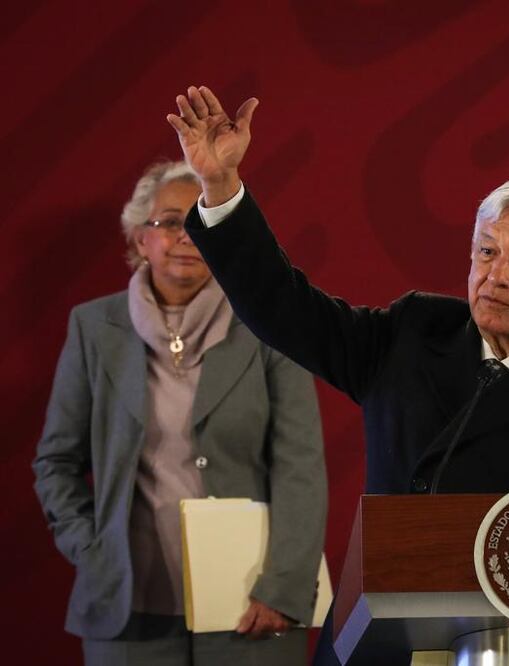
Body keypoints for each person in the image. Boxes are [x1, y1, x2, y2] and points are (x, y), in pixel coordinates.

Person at [164, 84, 509, 497]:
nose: (497, 276)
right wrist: (221, 185)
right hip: (389, 616)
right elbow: (283, 307)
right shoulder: (412, 334)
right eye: (487, 252)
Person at [33, 160, 328, 666]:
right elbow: (55, 463)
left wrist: (283, 587)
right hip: (128, 613)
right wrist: (93, 550)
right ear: (138, 239)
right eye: (171, 221)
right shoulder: (91, 328)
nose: (188, 234)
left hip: (252, 611)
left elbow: (300, 467)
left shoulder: (271, 324)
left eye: (202, 221)